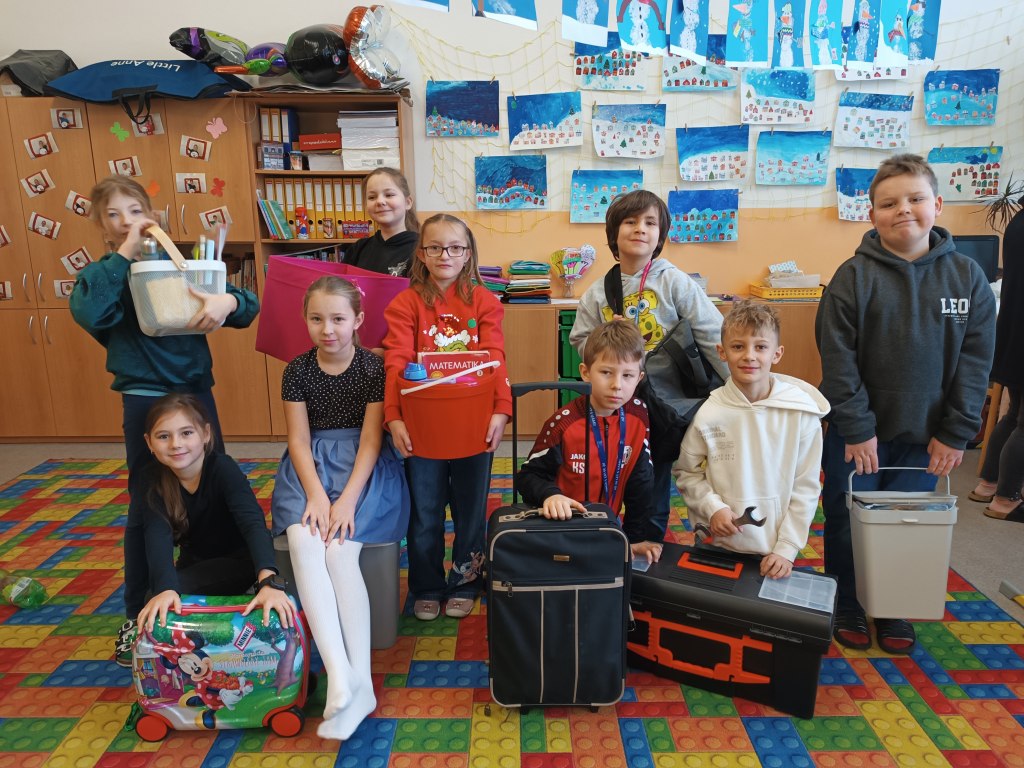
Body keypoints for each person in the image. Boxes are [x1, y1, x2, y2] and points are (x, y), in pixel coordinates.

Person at [69, 176, 259, 666]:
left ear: (151, 213)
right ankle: (139, 614)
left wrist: (228, 302)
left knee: (215, 489)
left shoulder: (177, 263)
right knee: (146, 505)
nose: (127, 221)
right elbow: (88, 311)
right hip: (144, 397)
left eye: (135, 211)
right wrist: (124, 254)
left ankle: (220, 584)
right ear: (101, 225)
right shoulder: (106, 273)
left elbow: (246, 307)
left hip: (194, 392)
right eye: (114, 215)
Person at [817, 153, 996, 653]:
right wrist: (857, 428)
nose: (903, 210)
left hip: (927, 436)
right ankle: (847, 600)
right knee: (847, 517)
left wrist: (956, 432)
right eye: (888, 203)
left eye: (915, 199)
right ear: (871, 213)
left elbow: (975, 363)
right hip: (858, 435)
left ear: (937, 205)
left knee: (905, 519)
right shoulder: (853, 277)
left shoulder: (968, 278)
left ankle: (890, 603)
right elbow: (838, 359)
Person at [270, 276, 409, 741]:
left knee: (339, 551)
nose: (327, 329)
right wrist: (315, 495)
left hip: (362, 472)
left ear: (358, 321)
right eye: (316, 319)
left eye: (337, 319)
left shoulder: (373, 368)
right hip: (310, 467)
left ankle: (360, 682)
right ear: (305, 320)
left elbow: (371, 440)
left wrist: (345, 500)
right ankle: (341, 676)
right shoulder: (297, 370)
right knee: (304, 543)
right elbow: (297, 440)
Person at [569, 189, 729, 537]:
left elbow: (711, 332)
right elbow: (580, 340)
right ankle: (603, 540)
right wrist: (607, 344)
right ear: (614, 233)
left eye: (650, 222)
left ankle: (648, 544)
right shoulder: (597, 293)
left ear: (660, 235)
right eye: (630, 221)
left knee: (654, 478)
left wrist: (736, 387)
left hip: (665, 404)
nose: (640, 228)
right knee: (607, 472)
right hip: (617, 402)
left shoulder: (674, 281)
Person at [383, 214, 512, 621]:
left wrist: (501, 409)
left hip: (474, 425)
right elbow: (396, 362)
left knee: (471, 510)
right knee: (425, 512)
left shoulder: (485, 301)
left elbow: (495, 358)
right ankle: (426, 585)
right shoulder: (405, 304)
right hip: (423, 429)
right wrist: (393, 417)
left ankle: (465, 581)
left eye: (455, 247)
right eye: (435, 247)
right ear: (421, 253)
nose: (445, 255)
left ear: (468, 253)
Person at [674, 301, 829, 579]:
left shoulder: (802, 415)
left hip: (774, 550)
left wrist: (787, 547)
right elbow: (687, 472)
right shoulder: (709, 413)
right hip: (715, 542)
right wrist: (713, 509)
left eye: (760, 347)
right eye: (738, 346)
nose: (749, 356)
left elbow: (806, 487)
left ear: (777, 353)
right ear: (722, 352)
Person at [135, 394, 294, 637]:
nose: (176, 444)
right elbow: (156, 536)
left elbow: (253, 524)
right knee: (160, 596)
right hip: (195, 564)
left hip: (241, 563)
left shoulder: (222, 468)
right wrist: (166, 588)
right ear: (149, 442)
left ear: (206, 434)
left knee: (160, 596)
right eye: (164, 436)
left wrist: (268, 581)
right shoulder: (151, 478)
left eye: (186, 433)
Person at [517, 320, 664, 563]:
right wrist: (550, 495)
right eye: (606, 373)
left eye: (627, 375)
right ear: (585, 372)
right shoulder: (564, 423)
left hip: (607, 528)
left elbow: (641, 483)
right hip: (561, 531)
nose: (617, 385)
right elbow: (527, 477)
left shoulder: (639, 416)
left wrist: (633, 538)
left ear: (639, 378)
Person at [972, 196, 1024, 521]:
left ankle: (988, 484)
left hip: (1012, 335)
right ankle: (1006, 500)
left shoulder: (1017, 222)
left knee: (1014, 414)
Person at [344, 167, 419, 277]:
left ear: (408, 202)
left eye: (389, 195)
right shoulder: (358, 249)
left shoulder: (421, 248)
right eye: (372, 197)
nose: (380, 201)